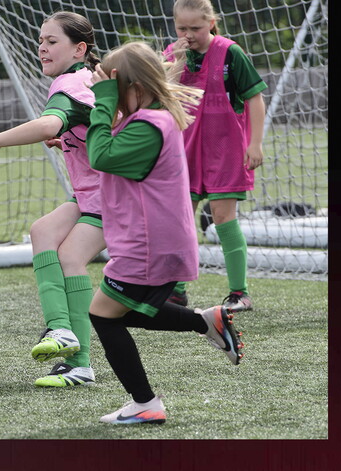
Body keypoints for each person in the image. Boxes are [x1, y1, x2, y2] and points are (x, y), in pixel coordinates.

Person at [84, 41, 244, 425]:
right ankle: (206, 321)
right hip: (149, 244)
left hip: (148, 247)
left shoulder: (149, 125)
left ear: (135, 89)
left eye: (114, 88)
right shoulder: (145, 120)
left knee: (104, 316)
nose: (108, 96)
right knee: (121, 312)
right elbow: (107, 154)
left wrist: (103, 101)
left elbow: (101, 155)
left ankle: (146, 403)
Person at [0, 11, 104, 388]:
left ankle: (78, 360)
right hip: (95, 194)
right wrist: (71, 136)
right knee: (42, 231)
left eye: (52, 41)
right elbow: (86, 125)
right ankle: (62, 329)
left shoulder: (69, 83)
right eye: (41, 41)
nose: (42, 48)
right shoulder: (85, 78)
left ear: (79, 48)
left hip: (116, 197)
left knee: (70, 256)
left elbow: (51, 123)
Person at [163, 0, 268, 312]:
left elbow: (254, 98)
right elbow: (160, 91)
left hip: (226, 149)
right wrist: (175, 59)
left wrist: (255, 143)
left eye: (195, 28)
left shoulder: (230, 52)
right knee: (180, 219)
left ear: (211, 24)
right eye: (182, 28)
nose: (188, 35)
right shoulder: (172, 54)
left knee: (223, 219)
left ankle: (240, 293)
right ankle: (176, 290)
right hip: (185, 150)